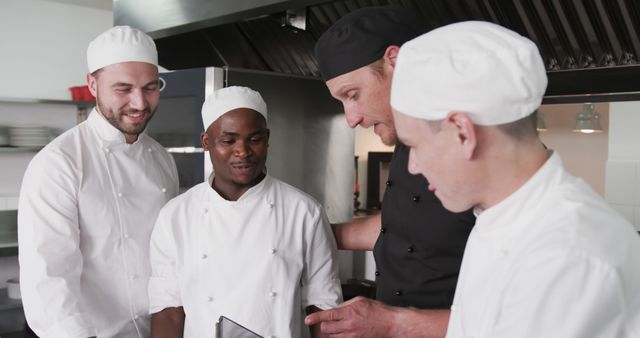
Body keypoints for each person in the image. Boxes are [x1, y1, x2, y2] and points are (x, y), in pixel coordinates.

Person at [389, 21, 640, 337]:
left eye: (413, 145)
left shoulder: (564, 257)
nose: (412, 166)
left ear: (462, 132)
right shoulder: (503, 219)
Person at [306, 6, 475, 336]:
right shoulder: (403, 136)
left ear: (395, 61)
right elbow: (404, 227)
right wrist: (306, 233)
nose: (351, 118)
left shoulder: (478, 150)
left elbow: (517, 320)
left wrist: (392, 323)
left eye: (353, 94)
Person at [18, 25, 179, 337]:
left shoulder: (162, 159)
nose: (139, 103)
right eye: (123, 89)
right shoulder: (59, 163)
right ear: (92, 84)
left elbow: (167, 259)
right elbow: (49, 280)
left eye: (150, 87)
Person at [148, 86, 342, 338]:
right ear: (206, 142)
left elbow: (323, 307)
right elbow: (168, 310)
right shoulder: (176, 216)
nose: (243, 151)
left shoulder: (304, 212)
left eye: (255, 139)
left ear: (268, 138)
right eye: (229, 141)